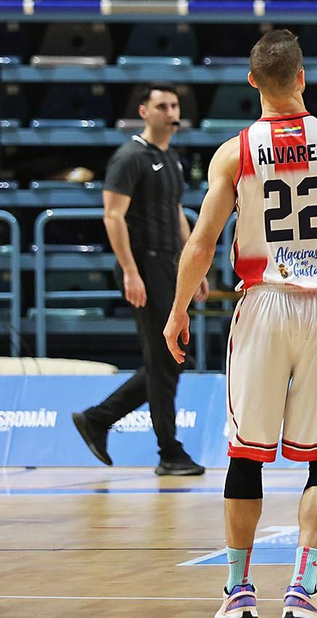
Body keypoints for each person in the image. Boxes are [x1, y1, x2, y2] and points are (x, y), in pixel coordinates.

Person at [164, 30, 317, 618]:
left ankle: (237, 590)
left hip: (263, 304)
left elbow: (201, 245)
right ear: (303, 77)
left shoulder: (235, 150)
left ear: (253, 82)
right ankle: (302, 587)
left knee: (245, 453)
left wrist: (178, 310)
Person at [73, 83, 207, 475]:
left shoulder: (172, 159)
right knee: (166, 357)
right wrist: (131, 272)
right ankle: (169, 452)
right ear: (144, 112)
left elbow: (177, 211)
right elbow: (112, 216)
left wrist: (192, 266)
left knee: (171, 359)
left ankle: (98, 418)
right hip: (144, 266)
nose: (170, 111)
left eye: (174, 105)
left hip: (169, 265)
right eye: (161, 105)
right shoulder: (130, 156)